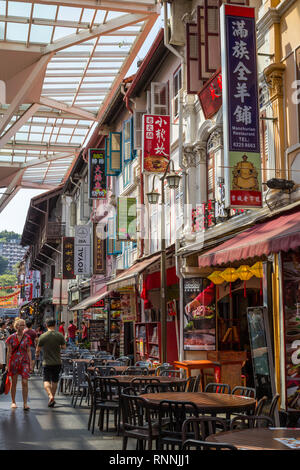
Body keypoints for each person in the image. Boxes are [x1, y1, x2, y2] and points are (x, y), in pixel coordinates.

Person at [36, 317, 66, 408]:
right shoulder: (60, 335)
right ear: (55, 325)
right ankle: (53, 397)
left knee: (46, 380)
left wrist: (36, 355)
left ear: (46, 325)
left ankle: (50, 396)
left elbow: (38, 349)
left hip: (46, 362)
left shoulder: (43, 336)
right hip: (57, 361)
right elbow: (64, 347)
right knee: (55, 380)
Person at [5, 317, 32, 410]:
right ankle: (13, 402)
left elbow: (29, 351)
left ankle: (25, 403)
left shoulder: (27, 337)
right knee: (14, 382)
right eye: (21, 325)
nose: (23, 326)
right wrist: (7, 365)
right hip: (14, 361)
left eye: (24, 325)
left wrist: (31, 363)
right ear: (17, 326)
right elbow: (8, 352)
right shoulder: (11, 338)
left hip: (24, 361)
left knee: (25, 382)